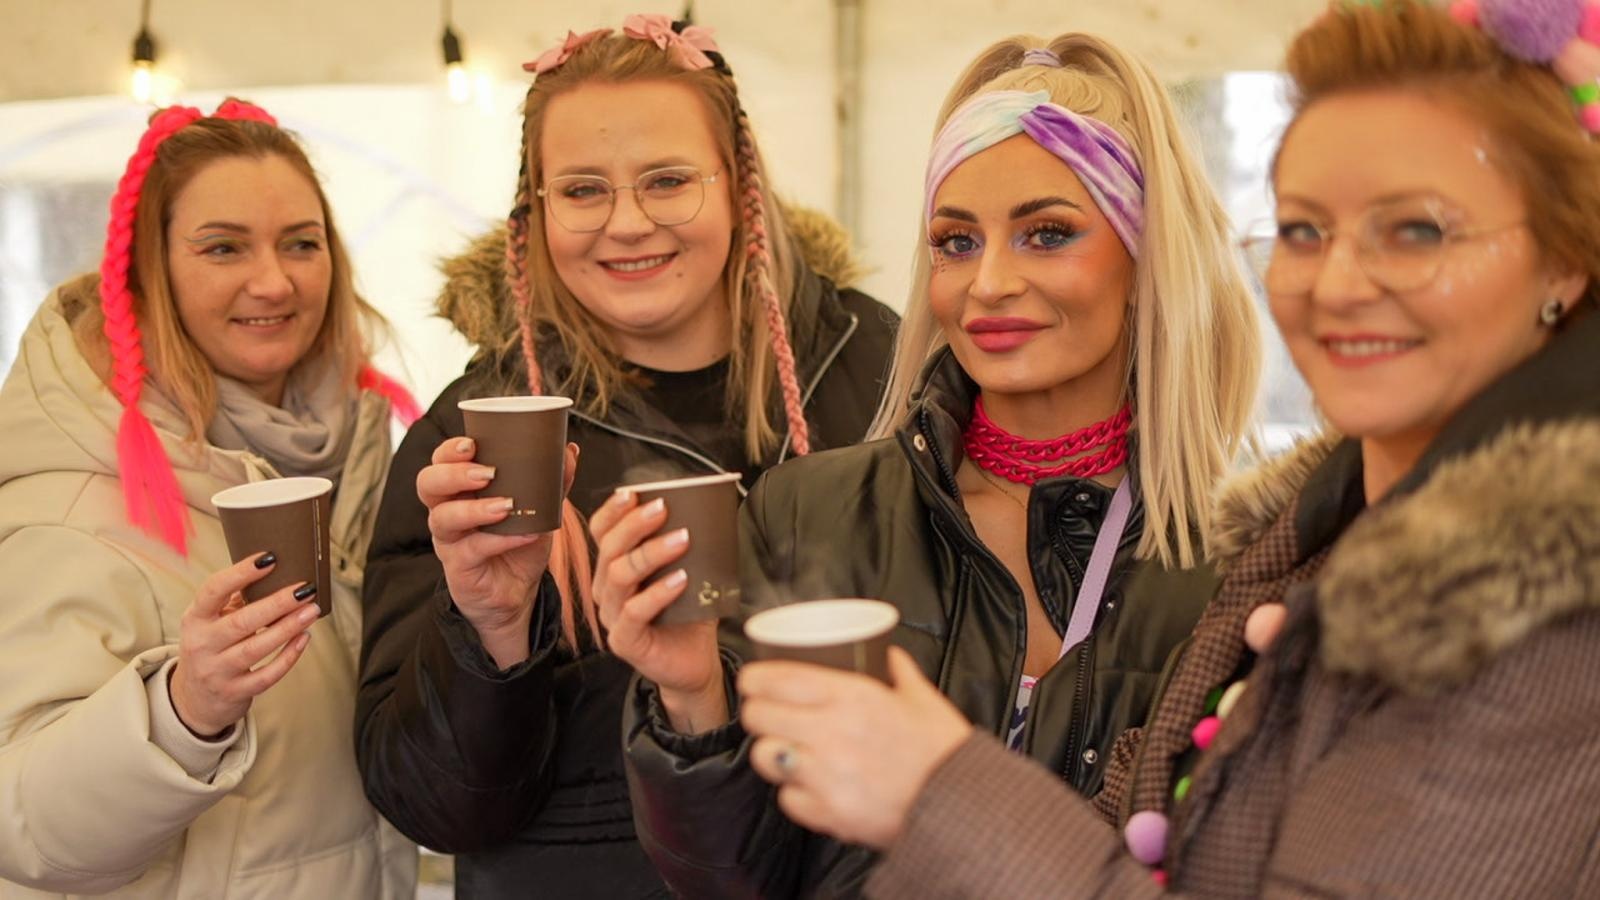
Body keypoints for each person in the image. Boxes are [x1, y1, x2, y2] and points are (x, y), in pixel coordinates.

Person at [729, 3, 1600, 897]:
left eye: (1417, 229)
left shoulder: (1546, 616)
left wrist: (940, 790)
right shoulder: (1295, 555)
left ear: (1565, 259)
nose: (1337, 282)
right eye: (1303, 229)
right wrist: (687, 705)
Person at [597, 31, 1262, 897]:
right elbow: (733, 878)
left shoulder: (1243, 562)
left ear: (1145, 257)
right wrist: (690, 701)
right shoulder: (808, 513)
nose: (986, 283)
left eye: (1047, 234)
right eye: (955, 241)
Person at [354, 15, 898, 898]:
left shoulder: (879, 370)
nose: (628, 224)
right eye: (581, 190)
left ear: (740, 188)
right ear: (533, 209)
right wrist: (489, 632)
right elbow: (431, 805)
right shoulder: (478, 436)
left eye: (669, 180)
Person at [0, 100, 418, 897]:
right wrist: (184, 710)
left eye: (301, 243)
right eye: (223, 247)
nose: (275, 280)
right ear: (146, 276)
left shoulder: (358, 460)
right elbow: (21, 826)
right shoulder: (69, 502)